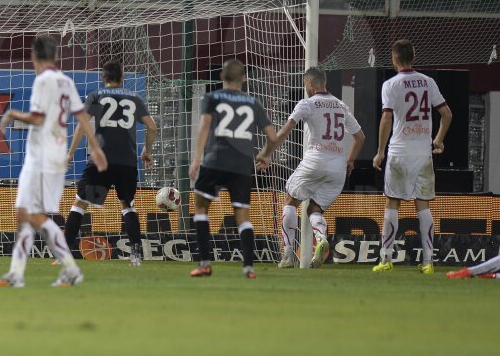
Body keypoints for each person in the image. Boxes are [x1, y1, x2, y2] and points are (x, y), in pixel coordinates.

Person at [0, 34, 107, 289]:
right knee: (25, 214)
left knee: (34, 216)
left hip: (41, 156)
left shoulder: (43, 81)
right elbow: (82, 116)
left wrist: (11, 113)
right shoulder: (65, 81)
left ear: (33, 56)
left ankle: (71, 269)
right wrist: (95, 148)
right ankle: (16, 274)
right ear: (55, 56)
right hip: (55, 156)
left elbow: (38, 118)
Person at [256, 67, 365, 269]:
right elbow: (360, 137)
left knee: (290, 201)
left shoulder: (308, 103)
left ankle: (288, 254)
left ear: (312, 84)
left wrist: (266, 153)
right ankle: (321, 238)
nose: (306, 88)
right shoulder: (341, 106)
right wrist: (350, 161)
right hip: (338, 169)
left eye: (306, 84)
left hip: (315, 161)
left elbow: (283, 132)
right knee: (315, 209)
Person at [188, 58, 278, 279]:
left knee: (201, 209)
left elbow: (205, 126)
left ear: (221, 77)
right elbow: (274, 137)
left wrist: (197, 159)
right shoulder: (253, 102)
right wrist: (264, 155)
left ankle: (205, 263)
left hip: (215, 160)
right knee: (243, 216)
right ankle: (248, 268)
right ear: (244, 79)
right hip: (242, 164)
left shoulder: (211, 97)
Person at [64, 60, 157, 266]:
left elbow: (82, 124)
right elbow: (152, 126)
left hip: (101, 161)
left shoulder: (96, 96)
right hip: (127, 162)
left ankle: (64, 255)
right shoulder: (135, 97)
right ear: (122, 78)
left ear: (103, 78)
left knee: (81, 203)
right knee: (128, 205)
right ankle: (135, 255)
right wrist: (147, 151)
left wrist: (70, 154)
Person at [371, 39, 451, 274]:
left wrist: (379, 151)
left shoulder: (391, 84)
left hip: (399, 151)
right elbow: (446, 114)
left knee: (392, 202)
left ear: (394, 58)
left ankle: (386, 259)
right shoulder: (429, 82)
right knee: (423, 206)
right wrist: (437, 140)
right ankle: (428, 262)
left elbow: (386, 119)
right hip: (423, 153)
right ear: (413, 57)